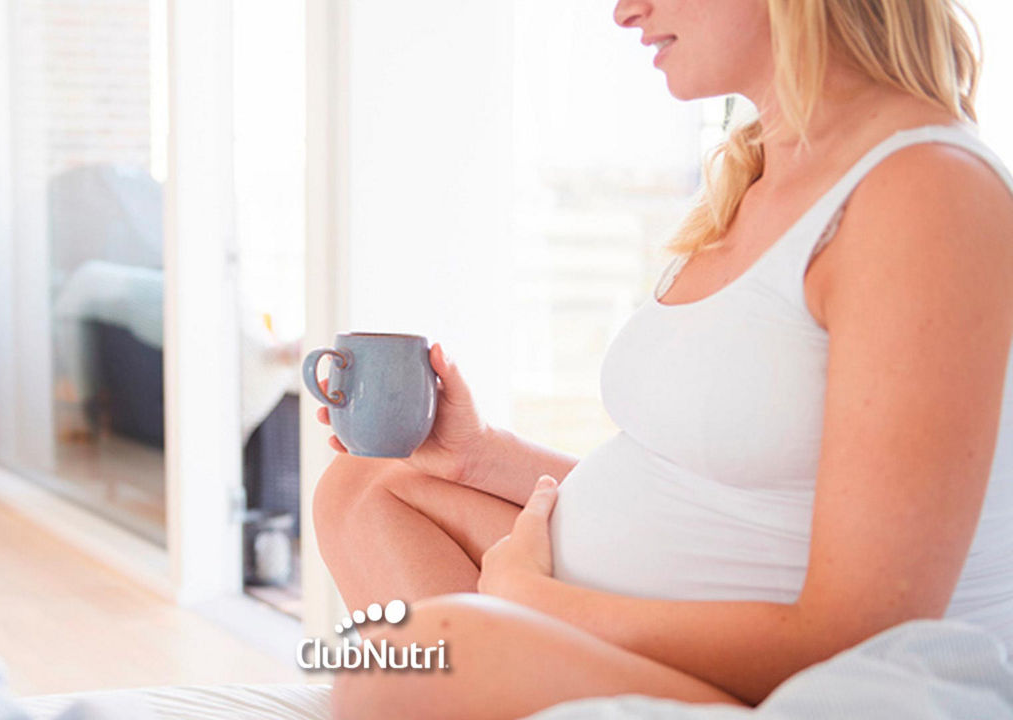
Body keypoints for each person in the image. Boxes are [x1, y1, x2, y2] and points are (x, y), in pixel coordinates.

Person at [311, 1, 1013, 718]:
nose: (624, 11)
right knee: (366, 488)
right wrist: (479, 458)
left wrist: (540, 605)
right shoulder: (768, 174)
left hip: (812, 684)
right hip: (653, 619)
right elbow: (702, 492)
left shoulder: (925, 190)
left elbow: (862, 634)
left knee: (405, 671)